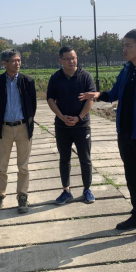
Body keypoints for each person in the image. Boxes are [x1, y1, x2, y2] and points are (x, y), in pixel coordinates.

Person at [79, 29, 136, 243]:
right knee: (131, 177)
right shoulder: (127, 70)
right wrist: (99, 95)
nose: (124, 49)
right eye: (123, 45)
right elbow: (115, 93)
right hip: (125, 134)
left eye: (128, 45)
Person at [0, 49, 37, 214]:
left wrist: (26, 122)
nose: (17, 63)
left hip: (23, 128)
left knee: (23, 166)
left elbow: (32, 106)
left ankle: (22, 196)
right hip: (4, 128)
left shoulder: (28, 81)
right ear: (5, 63)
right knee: (2, 166)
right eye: (13, 61)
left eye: (19, 60)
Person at [47, 46, 96, 205]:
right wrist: (61, 117)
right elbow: (50, 100)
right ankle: (66, 190)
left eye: (73, 58)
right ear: (60, 60)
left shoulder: (85, 76)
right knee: (64, 159)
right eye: (67, 58)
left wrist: (79, 118)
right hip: (62, 127)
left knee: (85, 159)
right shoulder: (55, 78)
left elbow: (90, 100)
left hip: (82, 126)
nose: (71, 61)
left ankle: (87, 189)